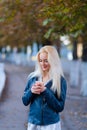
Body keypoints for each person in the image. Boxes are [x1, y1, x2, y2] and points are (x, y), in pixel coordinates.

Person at [22, 45, 67, 130]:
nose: (42, 64)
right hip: (33, 123)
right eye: (40, 60)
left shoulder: (60, 81)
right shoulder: (32, 78)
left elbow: (60, 107)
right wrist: (31, 91)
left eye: (46, 61)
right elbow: (25, 101)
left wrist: (45, 91)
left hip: (51, 125)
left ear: (53, 61)